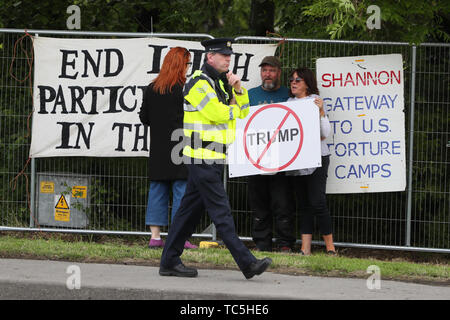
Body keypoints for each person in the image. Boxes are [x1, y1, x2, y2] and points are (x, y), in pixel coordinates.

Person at [159, 38, 272, 279]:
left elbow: (241, 112)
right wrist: (230, 108)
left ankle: (168, 261)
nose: (228, 59)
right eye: (224, 55)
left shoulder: (219, 83)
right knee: (222, 213)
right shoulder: (198, 83)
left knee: (186, 213)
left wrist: (238, 92)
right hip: (200, 157)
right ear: (210, 57)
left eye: (229, 55)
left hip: (212, 156)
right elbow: (216, 113)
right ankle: (248, 263)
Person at [139, 47, 197, 250]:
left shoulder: (152, 88)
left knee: (157, 189)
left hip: (158, 146)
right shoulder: (185, 89)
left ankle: (155, 237)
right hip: (181, 145)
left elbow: (144, 118)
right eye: (188, 63)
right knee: (182, 190)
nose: (189, 68)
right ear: (181, 65)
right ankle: (179, 237)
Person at [247, 56, 296, 252]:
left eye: (272, 70)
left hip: (282, 159)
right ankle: (262, 243)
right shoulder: (250, 95)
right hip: (255, 158)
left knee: (282, 203)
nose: (267, 74)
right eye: (264, 70)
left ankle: (285, 243)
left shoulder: (289, 94)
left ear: (279, 73)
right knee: (259, 204)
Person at [286, 67, 336, 255]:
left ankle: (330, 248)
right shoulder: (288, 103)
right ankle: (305, 248)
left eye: (298, 80)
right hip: (298, 160)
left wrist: (321, 111)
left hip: (318, 158)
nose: (293, 82)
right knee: (304, 204)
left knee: (318, 202)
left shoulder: (315, 102)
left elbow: (325, 134)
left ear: (307, 83)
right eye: (291, 79)